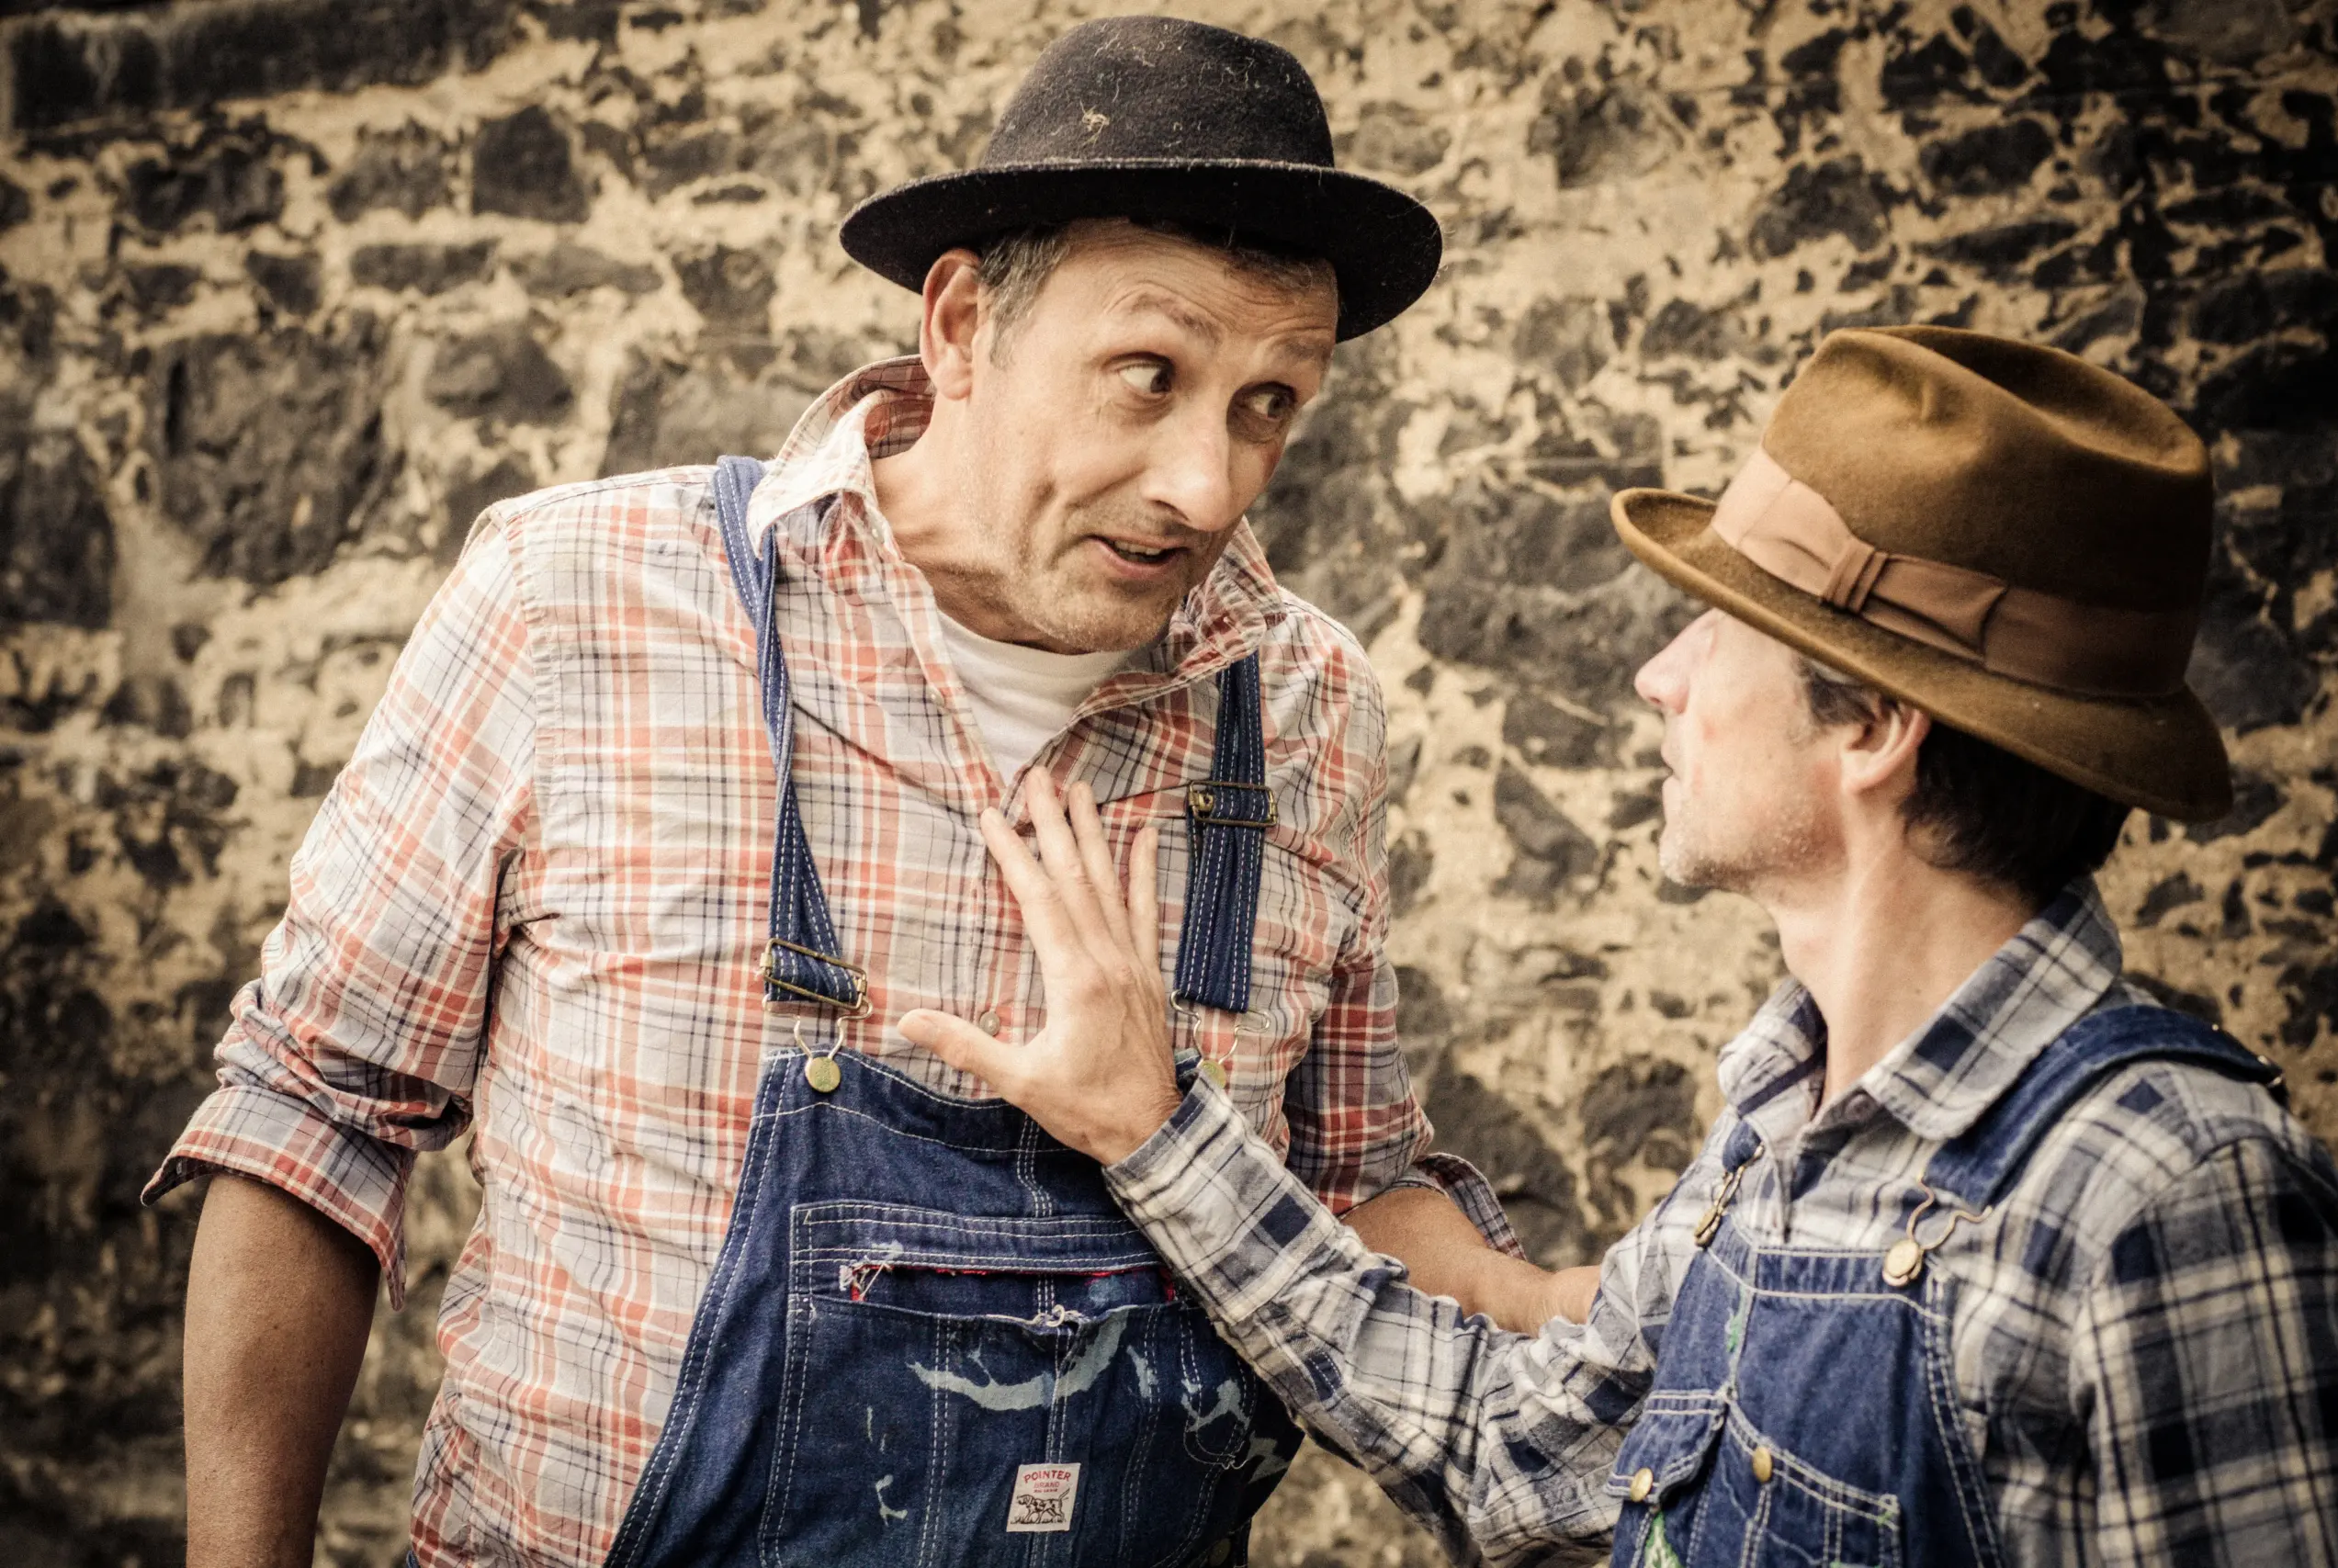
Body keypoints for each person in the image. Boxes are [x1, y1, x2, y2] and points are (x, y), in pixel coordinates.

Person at [149, 17, 1573, 1568]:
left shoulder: (1308, 711)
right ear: (959, 325)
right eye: (1146, 376)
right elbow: (317, 1111)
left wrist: (1592, 1317)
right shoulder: (579, 599)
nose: (1207, 484)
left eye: (1269, 401)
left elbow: (1347, 1191)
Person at [908, 325, 2338, 1566]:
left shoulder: (2169, 1189)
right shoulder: (1780, 1134)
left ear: (1872, 726)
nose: (1661, 678)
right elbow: (1503, 1437)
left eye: (1716, 629)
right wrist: (1155, 1128)